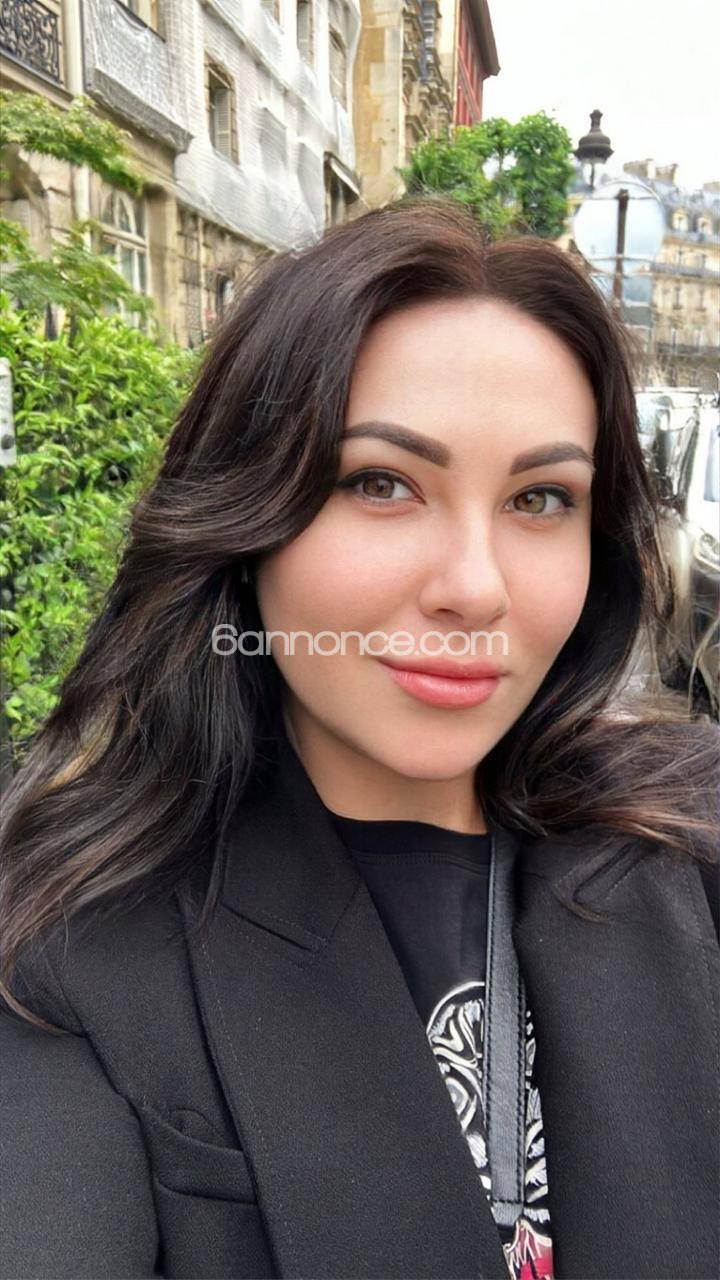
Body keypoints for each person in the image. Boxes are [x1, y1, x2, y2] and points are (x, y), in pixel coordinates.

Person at [1, 196, 718, 1280]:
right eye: (381, 483)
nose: (476, 588)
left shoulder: (688, 842)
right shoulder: (75, 947)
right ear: (248, 516)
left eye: (539, 498)